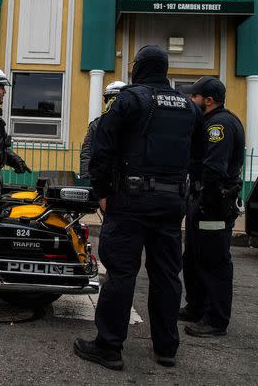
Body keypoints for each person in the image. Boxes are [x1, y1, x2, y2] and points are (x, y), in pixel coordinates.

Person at [74, 45, 203, 370]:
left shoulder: (131, 99)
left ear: (140, 68)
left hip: (130, 201)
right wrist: (184, 195)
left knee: (120, 273)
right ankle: (166, 348)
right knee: (167, 275)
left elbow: (101, 146)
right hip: (171, 203)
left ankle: (109, 347)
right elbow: (199, 158)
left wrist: (102, 191)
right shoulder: (189, 106)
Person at [180, 76, 245, 337]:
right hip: (202, 200)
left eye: (193, 97)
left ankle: (215, 319)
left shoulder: (219, 125)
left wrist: (205, 203)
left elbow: (214, 169)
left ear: (208, 100)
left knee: (213, 260)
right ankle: (196, 307)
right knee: (193, 256)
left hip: (214, 203)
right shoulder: (210, 122)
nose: (190, 101)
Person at [80, 81, 126, 179]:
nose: (113, 102)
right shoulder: (96, 125)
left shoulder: (132, 124)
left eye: (117, 98)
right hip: (101, 178)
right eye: (110, 98)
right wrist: (86, 178)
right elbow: (87, 153)